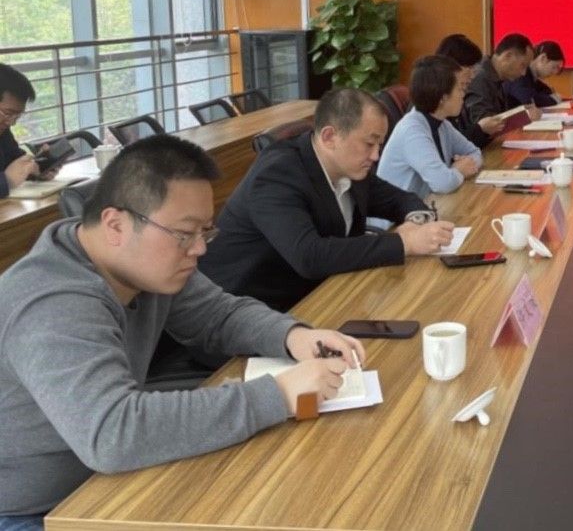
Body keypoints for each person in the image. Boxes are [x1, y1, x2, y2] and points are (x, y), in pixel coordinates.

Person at [0, 135, 363, 526]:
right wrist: (280, 395)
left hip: (105, 482)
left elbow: (218, 316)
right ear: (115, 225)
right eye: (184, 234)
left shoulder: (141, 265)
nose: (199, 249)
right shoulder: (52, 301)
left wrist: (294, 336)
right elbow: (112, 433)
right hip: (33, 510)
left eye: (205, 232)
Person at [200, 88, 454, 312]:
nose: (376, 155)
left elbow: (399, 199)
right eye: (369, 143)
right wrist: (404, 242)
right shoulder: (277, 175)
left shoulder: (351, 166)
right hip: (249, 310)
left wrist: (416, 222)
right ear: (329, 137)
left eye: (380, 144)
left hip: (320, 294)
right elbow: (309, 255)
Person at [376, 55, 482, 201]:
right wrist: (458, 170)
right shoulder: (412, 130)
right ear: (443, 98)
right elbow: (442, 184)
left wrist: (460, 168)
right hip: (399, 214)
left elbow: (475, 152)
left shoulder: (441, 123)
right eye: (459, 89)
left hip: (428, 205)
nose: (463, 95)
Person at [435, 33, 507, 147]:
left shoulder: (453, 92)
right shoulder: (434, 97)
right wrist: (480, 129)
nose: (473, 75)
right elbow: (450, 145)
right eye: (469, 67)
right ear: (450, 65)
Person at [463, 33, 539, 139]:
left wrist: (521, 111)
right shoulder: (479, 77)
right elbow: (485, 123)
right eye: (523, 65)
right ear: (508, 56)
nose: (523, 73)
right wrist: (524, 116)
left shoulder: (498, 76)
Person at [0, 63, 50, 198]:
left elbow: (15, 160)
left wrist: (38, 167)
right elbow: (9, 176)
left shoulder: (3, 132)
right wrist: (7, 180)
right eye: (8, 113)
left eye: (17, 115)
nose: (12, 122)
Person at [506, 40, 565, 108]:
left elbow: (547, 91)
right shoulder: (520, 73)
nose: (555, 72)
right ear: (543, 58)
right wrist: (553, 100)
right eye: (554, 67)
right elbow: (529, 100)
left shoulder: (533, 77)